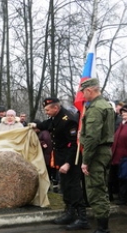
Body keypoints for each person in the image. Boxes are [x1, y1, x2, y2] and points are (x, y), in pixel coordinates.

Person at [33, 97, 89, 230]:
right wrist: (34, 126)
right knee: (65, 186)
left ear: (55, 108)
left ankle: (83, 219)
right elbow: (48, 124)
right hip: (61, 158)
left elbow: (74, 144)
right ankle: (69, 213)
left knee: (74, 188)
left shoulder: (68, 120)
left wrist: (68, 163)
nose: (46, 112)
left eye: (47, 110)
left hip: (71, 159)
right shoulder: (56, 117)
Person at [79, 78, 114, 233]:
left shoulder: (96, 108)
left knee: (96, 190)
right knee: (101, 188)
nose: (82, 95)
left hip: (96, 153)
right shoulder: (105, 105)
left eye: (83, 92)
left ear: (89, 90)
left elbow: (93, 138)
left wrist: (86, 161)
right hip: (104, 151)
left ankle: (102, 229)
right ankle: (103, 226)